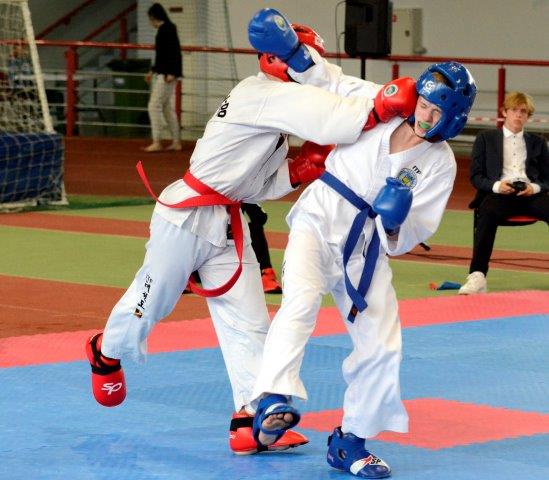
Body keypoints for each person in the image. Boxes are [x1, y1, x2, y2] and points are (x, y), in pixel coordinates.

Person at [85, 14, 417, 456]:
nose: (311, 70)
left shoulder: (277, 109)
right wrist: (380, 106)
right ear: (279, 59)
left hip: (227, 222)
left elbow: (254, 185)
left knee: (250, 321)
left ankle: (251, 417)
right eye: (304, 60)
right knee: (152, 302)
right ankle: (106, 350)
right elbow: (333, 117)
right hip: (185, 217)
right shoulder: (262, 94)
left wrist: (298, 171)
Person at [247, 13, 477, 477]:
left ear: (452, 120)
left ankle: (350, 441)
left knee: (384, 343)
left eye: (436, 113)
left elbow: (414, 231)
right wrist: (293, 52)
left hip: (366, 247)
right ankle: (272, 398)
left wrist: (394, 221)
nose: (424, 116)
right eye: (424, 105)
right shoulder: (381, 104)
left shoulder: (440, 163)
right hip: (319, 218)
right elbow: (328, 81)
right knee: (300, 301)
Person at [458, 91, 549, 294]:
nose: (518, 115)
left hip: (531, 195)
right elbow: (475, 176)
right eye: (514, 110)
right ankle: (477, 276)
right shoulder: (485, 138)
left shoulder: (538, 142)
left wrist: (533, 188)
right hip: (499, 194)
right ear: (504, 112)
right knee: (487, 212)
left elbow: (547, 179)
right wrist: (497, 186)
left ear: (528, 116)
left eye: (523, 112)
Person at [143, 3, 182, 153]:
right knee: (166, 108)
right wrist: (152, 71)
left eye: (149, 19)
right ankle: (176, 141)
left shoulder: (167, 29)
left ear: (153, 17)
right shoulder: (166, 29)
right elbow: (162, 56)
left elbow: (174, 52)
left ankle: (157, 141)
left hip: (167, 75)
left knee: (153, 106)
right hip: (166, 74)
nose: (149, 22)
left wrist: (171, 73)